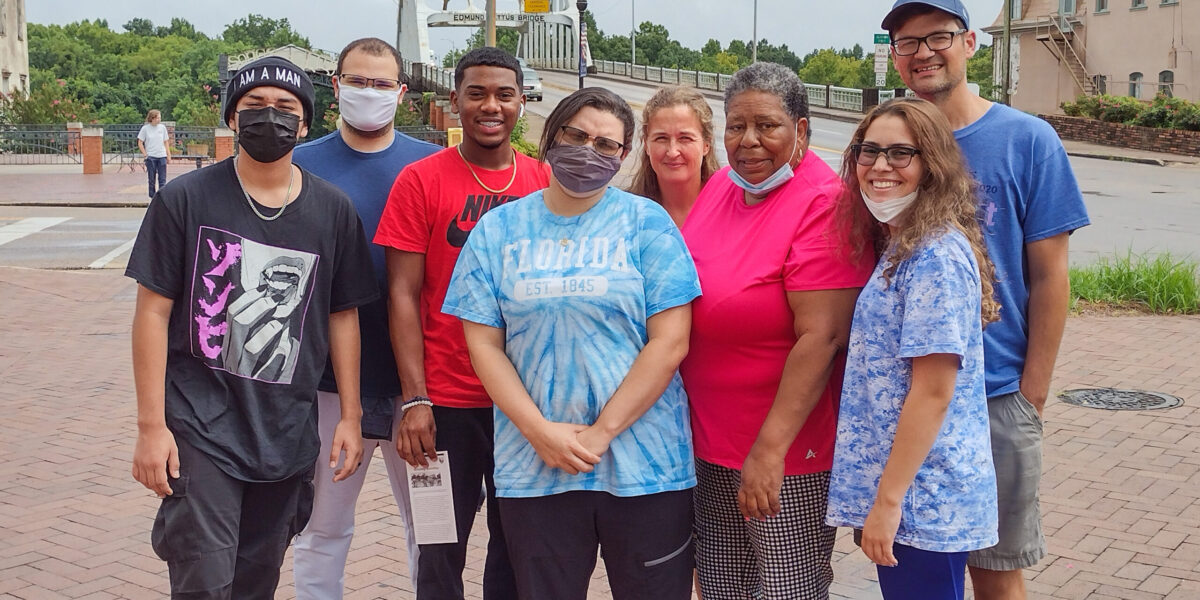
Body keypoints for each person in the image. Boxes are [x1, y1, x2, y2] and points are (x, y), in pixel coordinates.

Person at [126, 55, 374, 599]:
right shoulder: (184, 199)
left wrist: (350, 417)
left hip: (285, 432)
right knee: (205, 580)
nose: (270, 117)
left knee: (256, 580)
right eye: (254, 106)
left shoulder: (332, 211)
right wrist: (151, 426)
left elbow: (343, 316)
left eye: (285, 108)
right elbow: (152, 312)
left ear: (306, 124)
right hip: (201, 426)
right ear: (232, 119)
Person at [442, 86, 701, 600]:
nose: (589, 151)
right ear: (550, 137)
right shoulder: (497, 231)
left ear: (624, 156)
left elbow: (670, 342)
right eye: (577, 136)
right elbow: (485, 347)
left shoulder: (647, 225)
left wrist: (603, 432)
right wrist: (538, 432)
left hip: (646, 468)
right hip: (535, 466)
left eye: (607, 145)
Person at [881, 2, 1091, 598]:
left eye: (938, 37)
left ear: (971, 42)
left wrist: (1033, 392)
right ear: (894, 54)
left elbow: (1050, 276)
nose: (922, 52)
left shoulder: (1027, 141)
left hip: (997, 393)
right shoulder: (891, 141)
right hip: (910, 397)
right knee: (918, 572)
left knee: (998, 576)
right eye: (906, 41)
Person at [678, 62, 874, 600]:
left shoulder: (823, 203)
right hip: (710, 440)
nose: (749, 141)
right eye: (736, 126)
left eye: (767, 125)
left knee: (788, 588)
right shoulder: (721, 185)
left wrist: (769, 451)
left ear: (802, 130)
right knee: (722, 586)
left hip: (785, 451)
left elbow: (824, 337)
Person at [374, 47, 549, 600]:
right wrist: (415, 399)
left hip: (523, 408)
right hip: (444, 404)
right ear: (455, 101)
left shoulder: (545, 181)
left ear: (522, 101)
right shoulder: (420, 181)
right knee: (437, 546)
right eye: (477, 93)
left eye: (504, 94)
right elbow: (401, 293)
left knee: (517, 548)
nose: (490, 105)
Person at [825, 97, 1000, 599]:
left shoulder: (935, 257)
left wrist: (888, 501)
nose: (881, 166)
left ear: (931, 166)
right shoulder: (905, 246)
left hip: (926, 498)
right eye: (869, 151)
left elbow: (933, 391)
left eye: (901, 153)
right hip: (914, 496)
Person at [290, 38, 441, 599]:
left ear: (401, 93)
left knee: (432, 529)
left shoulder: (429, 166)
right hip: (330, 384)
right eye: (357, 81)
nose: (368, 93)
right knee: (321, 527)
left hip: (419, 386)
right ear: (336, 86)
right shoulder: (300, 164)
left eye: (381, 84)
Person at [627, 86, 719, 227]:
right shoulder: (626, 214)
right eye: (661, 138)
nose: (672, 152)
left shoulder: (729, 209)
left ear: (706, 144)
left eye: (685, 138)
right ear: (646, 145)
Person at [138, 109, 171, 198]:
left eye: (160, 118)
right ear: (152, 118)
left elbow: (166, 141)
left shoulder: (162, 128)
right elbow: (140, 142)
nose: (159, 120)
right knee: (151, 179)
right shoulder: (145, 129)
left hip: (161, 155)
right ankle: (152, 196)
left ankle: (162, 196)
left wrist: (168, 154)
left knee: (162, 178)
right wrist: (145, 154)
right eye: (158, 118)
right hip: (151, 156)